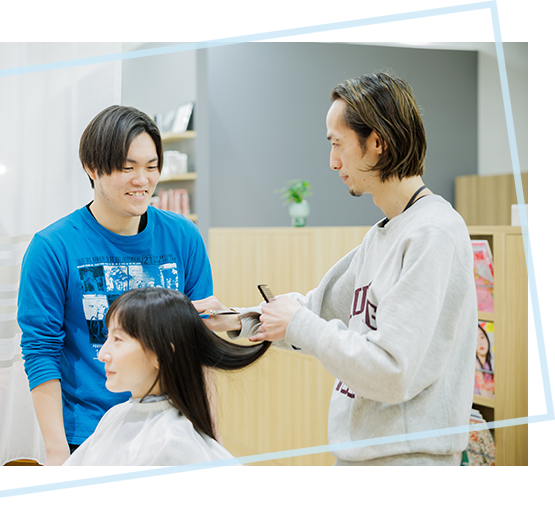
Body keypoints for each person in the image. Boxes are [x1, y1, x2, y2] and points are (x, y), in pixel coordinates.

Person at [196, 72, 477, 466]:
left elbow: (392, 371)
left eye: (337, 144)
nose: (332, 162)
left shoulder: (433, 234)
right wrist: (234, 319)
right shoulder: (382, 235)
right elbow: (316, 310)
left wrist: (300, 324)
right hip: (362, 458)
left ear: (376, 142)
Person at [18, 105, 214, 466]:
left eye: (151, 167)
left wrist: (204, 430)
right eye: (127, 167)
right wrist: (57, 451)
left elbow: (196, 344)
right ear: (92, 168)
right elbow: (40, 350)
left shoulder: (183, 237)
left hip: (168, 433)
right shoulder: (52, 247)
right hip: (88, 438)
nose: (142, 180)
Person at [63, 287, 270, 466]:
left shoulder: (171, 443)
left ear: (162, 354)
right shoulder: (115, 415)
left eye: (117, 339)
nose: (102, 354)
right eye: (107, 337)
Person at [474, 323, 494, 398]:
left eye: (482, 337)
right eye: (475, 339)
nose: (480, 342)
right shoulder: (475, 364)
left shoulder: (487, 365)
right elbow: (486, 396)